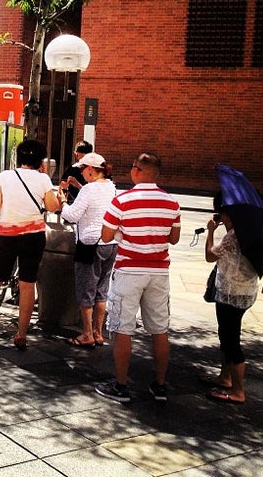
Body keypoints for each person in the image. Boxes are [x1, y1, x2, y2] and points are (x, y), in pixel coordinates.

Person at [96, 152, 180, 403]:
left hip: (129, 270)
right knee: (159, 329)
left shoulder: (122, 200)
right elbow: (173, 239)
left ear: (137, 171)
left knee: (123, 328)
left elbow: (107, 235)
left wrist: (124, 232)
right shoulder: (172, 203)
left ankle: (121, 386)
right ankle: (160, 385)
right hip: (159, 271)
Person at [0, 139, 60, 350]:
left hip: (7, 236)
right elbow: (52, 207)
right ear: (40, 160)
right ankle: (21, 335)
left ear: (18, 158)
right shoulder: (43, 179)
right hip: (34, 237)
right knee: (27, 284)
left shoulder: (5, 177)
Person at [201, 193, 259, 404]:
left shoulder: (233, 237)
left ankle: (238, 391)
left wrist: (210, 232)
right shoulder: (249, 232)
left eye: (221, 212)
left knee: (231, 340)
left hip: (230, 294)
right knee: (227, 334)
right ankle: (225, 377)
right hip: (245, 292)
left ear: (227, 212)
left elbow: (209, 256)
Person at [58, 152, 117, 347]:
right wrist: (79, 187)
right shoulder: (111, 187)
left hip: (89, 244)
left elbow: (72, 216)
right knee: (102, 290)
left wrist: (62, 201)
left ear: (90, 169)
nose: (81, 172)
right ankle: (99, 333)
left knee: (86, 290)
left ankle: (86, 334)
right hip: (110, 244)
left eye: (82, 169)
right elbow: (96, 200)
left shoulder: (88, 190)